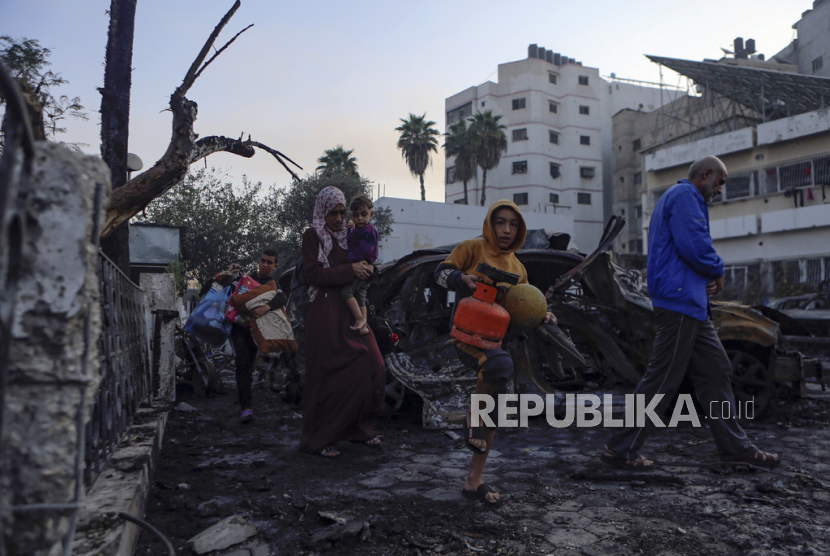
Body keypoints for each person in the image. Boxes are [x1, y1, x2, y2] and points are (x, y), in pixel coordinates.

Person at [601, 155, 780, 470]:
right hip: (679, 302)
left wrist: (705, 279)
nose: (721, 189)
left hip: (690, 303)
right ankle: (621, 447)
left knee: (717, 370)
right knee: (663, 377)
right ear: (707, 174)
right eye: (720, 182)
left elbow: (685, 248)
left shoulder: (680, 197)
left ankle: (735, 447)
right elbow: (694, 246)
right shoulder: (686, 196)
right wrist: (716, 269)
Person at [434, 200, 557, 505]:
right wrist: (460, 278)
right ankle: (471, 420)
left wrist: (544, 314)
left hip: (496, 341)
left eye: (513, 224)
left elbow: (525, 305)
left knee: (496, 405)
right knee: (499, 368)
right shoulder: (471, 248)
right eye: (500, 222)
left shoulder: (518, 267)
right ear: (491, 223)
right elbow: (438, 274)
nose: (506, 230)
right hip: (466, 336)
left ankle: (473, 481)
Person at [299, 186, 385, 458]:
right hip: (326, 314)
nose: (337, 218)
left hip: (352, 312)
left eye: (340, 212)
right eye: (332, 213)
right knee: (328, 377)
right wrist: (350, 270)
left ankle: (359, 428)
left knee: (374, 365)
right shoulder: (313, 236)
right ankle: (319, 439)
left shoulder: (350, 234)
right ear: (322, 212)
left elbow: (364, 258)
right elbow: (312, 274)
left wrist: (370, 270)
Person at [204, 249, 286, 423]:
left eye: (269, 262)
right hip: (239, 328)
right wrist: (228, 272)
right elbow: (213, 285)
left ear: (275, 266)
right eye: (263, 260)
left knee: (248, 364)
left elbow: (282, 298)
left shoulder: (273, 283)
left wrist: (266, 307)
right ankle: (245, 407)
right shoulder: (244, 280)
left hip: (257, 329)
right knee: (242, 363)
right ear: (258, 260)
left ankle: (245, 401)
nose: (265, 265)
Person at [341, 195, 379, 335]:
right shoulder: (358, 229)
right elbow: (353, 235)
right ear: (352, 216)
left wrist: (348, 261)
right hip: (365, 269)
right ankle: (363, 324)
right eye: (356, 215)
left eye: (364, 214)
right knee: (360, 296)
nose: (360, 219)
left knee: (346, 292)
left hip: (361, 266)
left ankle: (358, 318)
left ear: (371, 214)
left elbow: (364, 250)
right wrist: (349, 229)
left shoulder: (369, 230)